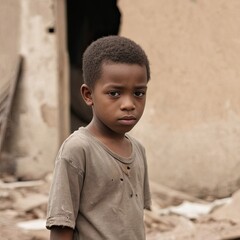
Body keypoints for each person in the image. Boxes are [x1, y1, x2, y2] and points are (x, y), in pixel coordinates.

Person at [46, 35, 152, 240]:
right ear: (88, 95)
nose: (129, 104)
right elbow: (61, 226)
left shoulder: (138, 150)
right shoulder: (78, 149)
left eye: (139, 93)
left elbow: (135, 218)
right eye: (114, 93)